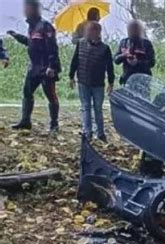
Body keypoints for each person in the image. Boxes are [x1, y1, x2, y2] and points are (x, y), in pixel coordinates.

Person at [8, 0, 61, 132]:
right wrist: (16, 36)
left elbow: (52, 48)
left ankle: (54, 125)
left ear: (35, 9)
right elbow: (30, 43)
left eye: (27, 8)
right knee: (27, 92)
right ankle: (25, 121)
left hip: (46, 68)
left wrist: (52, 66)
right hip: (34, 67)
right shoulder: (32, 27)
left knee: (51, 95)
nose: (25, 11)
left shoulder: (46, 26)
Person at [69, 22, 114, 142]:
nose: (87, 33)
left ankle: (100, 133)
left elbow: (110, 67)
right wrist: (71, 76)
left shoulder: (105, 48)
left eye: (89, 30)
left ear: (97, 32)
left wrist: (111, 82)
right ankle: (87, 132)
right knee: (86, 107)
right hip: (83, 81)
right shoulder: (80, 43)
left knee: (98, 108)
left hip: (98, 83)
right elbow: (75, 61)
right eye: (86, 30)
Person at [115, 20, 156, 85]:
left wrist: (137, 62)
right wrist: (124, 55)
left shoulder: (146, 43)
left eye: (135, 29)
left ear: (140, 30)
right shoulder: (123, 42)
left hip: (143, 79)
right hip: (127, 78)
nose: (133, 31)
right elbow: (116, 60)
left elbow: (152, 63)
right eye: (131, 29)